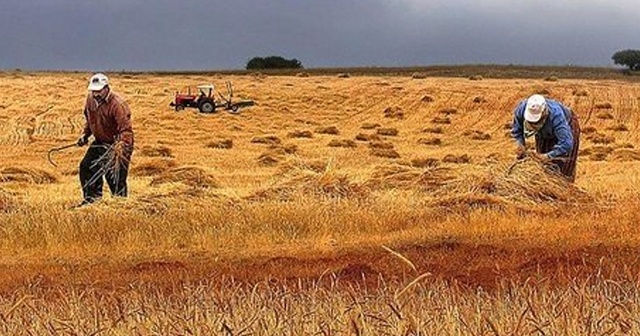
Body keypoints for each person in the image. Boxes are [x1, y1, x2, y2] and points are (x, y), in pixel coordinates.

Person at [76, 73, 134, 206]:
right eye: (93, 91)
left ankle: (120, 205)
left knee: (114, 176)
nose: (95, 94)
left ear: (106, 88)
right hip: (100, 142)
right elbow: (90, 119)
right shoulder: (90, 100)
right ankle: (91, 201)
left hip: (118, 144)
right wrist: (85, 135)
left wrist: (120, 148)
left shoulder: (118, 105)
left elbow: (126, 130)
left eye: (98, 91)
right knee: (87, 167)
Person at [511, 94, 580, 182]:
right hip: (544, 133)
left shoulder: (556, 115)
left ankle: (564, 189)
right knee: (543, 166)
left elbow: (567, 144)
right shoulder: (521, 109)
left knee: (563, 168)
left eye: (536, 123)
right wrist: (520, 146)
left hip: (567, 126)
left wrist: (548, 156)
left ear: (544, 113)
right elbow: (517, 131)